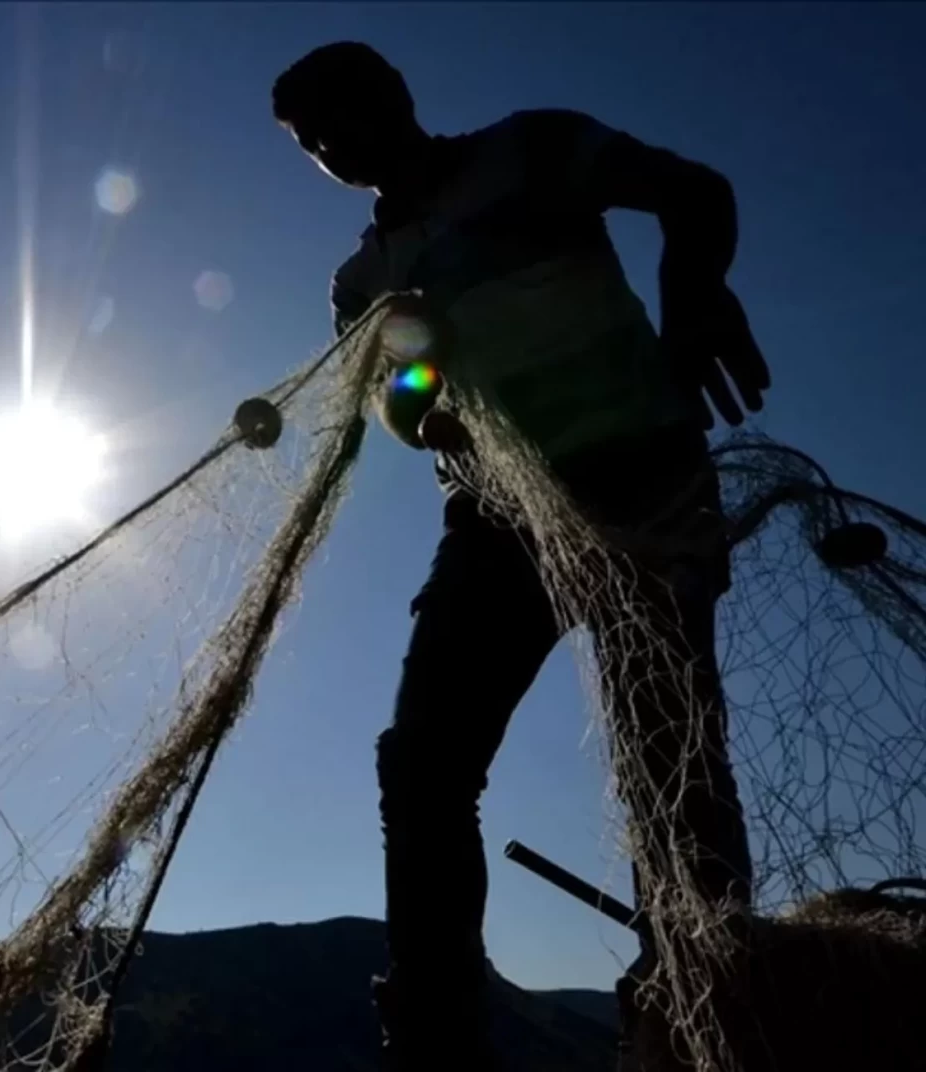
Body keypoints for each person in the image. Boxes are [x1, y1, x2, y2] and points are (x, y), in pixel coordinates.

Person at [270, 41, 768, 1070]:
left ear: (393, 94)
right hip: (498, 521)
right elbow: (401, 402)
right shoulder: (363, 279)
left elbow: (692, 190)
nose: (331, 149)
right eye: (310, 143)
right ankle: (435, 1032)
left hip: (644, 480)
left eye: (338, 118)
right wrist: (424, 399)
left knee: (667, 752)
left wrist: (695, 294)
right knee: (422, 765)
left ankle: (702, 1008)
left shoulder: (532, 150)